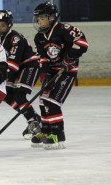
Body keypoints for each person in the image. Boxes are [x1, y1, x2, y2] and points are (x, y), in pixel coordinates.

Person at [31, 2, 88, 149]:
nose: (39, 21)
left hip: (67, 71)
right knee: (43, 100)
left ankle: (58, 133)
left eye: (42, 18)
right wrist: (44, 76)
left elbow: (82, 43)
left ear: (51, 17)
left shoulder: (64, 29)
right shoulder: (39, 37)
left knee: (53, 101)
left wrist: (68, 59)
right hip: (53, 71)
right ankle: (46, 130)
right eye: (38, 19)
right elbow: (43, 59)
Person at [0, 10, 41, 139]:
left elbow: (13, 63)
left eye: (2, 25)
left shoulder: (15, 38)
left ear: (9, 25)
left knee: (19, 96)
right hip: (16, 68)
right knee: (5, 94)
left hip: (29, 66)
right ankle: (33, 117)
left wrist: (1, 77)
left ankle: (33, 121)